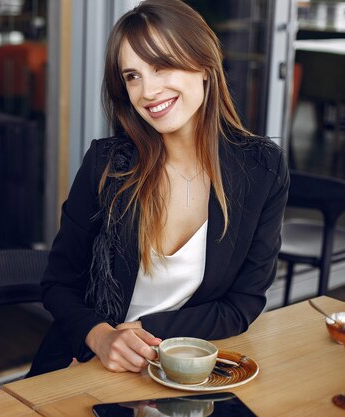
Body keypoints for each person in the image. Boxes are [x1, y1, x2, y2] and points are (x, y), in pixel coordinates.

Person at [29, 0, 289, 377]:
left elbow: (242, 304)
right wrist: (100, 336)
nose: (147, 91)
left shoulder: (262, 168)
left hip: (183, 368)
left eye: (161, 65)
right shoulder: (107, 166)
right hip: (86, 363)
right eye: (132, 76)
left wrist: (147, 331)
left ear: (203, 65)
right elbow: (57, 284)